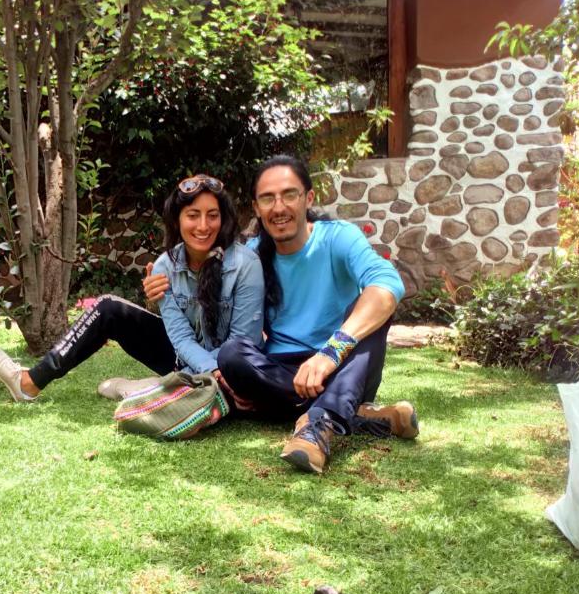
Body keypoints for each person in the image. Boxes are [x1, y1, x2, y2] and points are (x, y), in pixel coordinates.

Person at [144, 156, 418, 474]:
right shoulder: (251, 256)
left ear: (308, 198)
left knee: (373, 308)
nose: (279, 207)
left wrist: (329, 353)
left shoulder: (338, 238)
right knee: (232, 354)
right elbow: (208, 300)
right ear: (256, 207)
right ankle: (355, 414)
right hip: (277, 375)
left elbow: (387, 286)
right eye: (267, 198)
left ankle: (318, 423)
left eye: (289, 195)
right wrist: (159, 292)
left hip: (344, 367)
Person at [0, 175, 265, 410]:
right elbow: (180, 338)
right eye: (193, 215)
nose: (203, 226)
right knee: (109, 307)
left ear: (223, 219)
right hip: (192, 362)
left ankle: (154, 388)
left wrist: (218, 372)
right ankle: (29, 382)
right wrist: (209, 370)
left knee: (232, 362)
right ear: (177, 219)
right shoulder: (165, 267)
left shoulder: (245, 265)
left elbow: (243, 344)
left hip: (232, 369)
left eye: (212, 215)